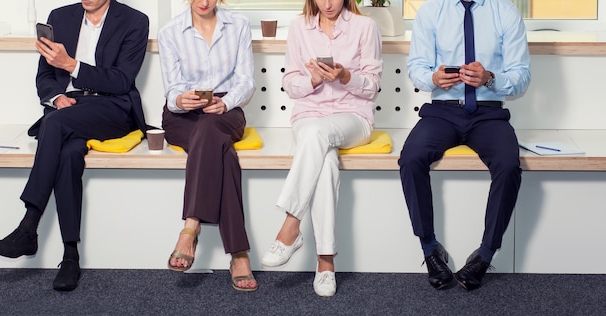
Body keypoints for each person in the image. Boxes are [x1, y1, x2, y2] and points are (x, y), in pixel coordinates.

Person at [0, 0, 148, 291]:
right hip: (70, 107)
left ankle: (28, 226)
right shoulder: (59, 17)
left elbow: (122, 81)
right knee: (69, 152)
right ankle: (70, 256)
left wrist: (71, 64)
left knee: (54, 124)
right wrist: (56, 98)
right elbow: (45, 76)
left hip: (112, 108)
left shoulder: (135, 20)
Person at [399, 0, 531, 291]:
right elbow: (416, 68)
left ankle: (485, 254)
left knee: (509, 165)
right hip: (442, 111)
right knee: (411, 158)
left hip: (488, 111)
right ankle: (430, 249)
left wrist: (490, 78)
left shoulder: (505, 10)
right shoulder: (432, 10)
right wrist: (433, 78)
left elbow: (522, 76)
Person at [260, 0, 382, 297]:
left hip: (353, 118)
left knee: (317, 135)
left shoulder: (365, 27)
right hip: (309, 116)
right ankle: (326, 263)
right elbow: (290, 83)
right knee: (324, 159)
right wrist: (313, 78)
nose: (328, 4)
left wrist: (345, 76)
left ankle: (291, 225)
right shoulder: (299, 27)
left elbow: (373, 85)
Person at [158, 0, 257, 292]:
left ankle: (190, 227)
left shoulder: (238, 25)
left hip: (226, 109)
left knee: (210, 128)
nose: (203, 2)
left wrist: (225, 102)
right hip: (182, 115)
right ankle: (239, 253)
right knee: (221, 151)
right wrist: (180, 100)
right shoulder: (170, 31)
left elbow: (246, 80)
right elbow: (172, 88)